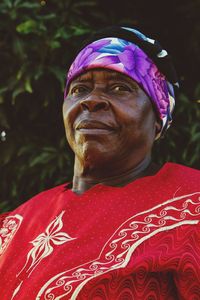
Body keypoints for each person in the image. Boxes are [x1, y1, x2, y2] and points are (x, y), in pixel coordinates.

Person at [0, 26, 200, 300]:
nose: (91, 100)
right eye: (80, 89)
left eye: (120, 88)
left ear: (157, 118)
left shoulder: (191, 205)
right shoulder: (15, 223)